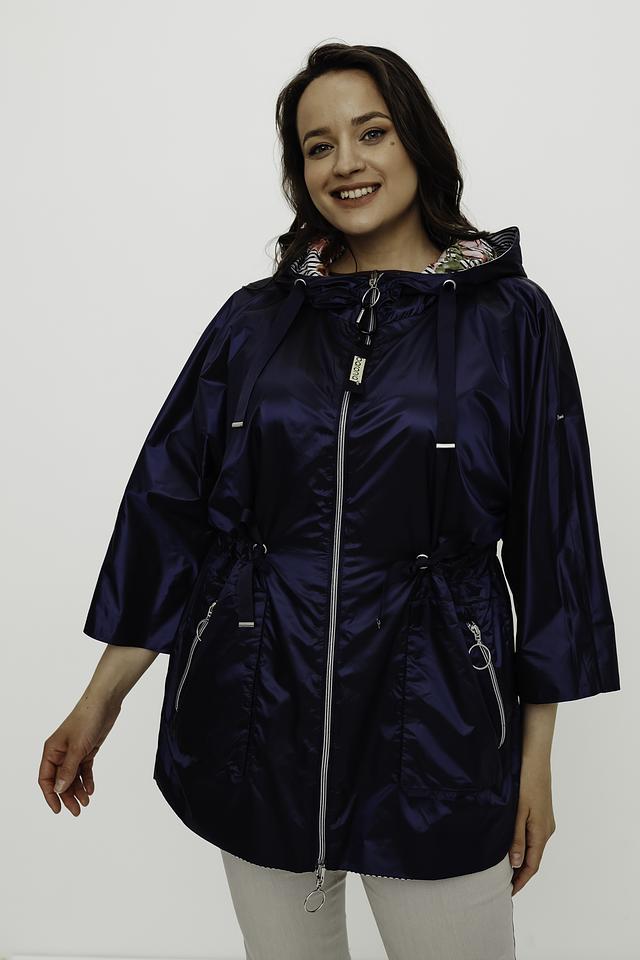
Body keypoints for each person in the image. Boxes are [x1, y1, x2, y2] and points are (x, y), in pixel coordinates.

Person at [39, 42, 621, 960]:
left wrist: (534, 762)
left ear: (417, 140)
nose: (346, 162)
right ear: (300, 171)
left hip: (437, 735)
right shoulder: (254, 322)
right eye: (318, 146)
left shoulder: (512, 322)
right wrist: (98, 701)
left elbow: (554, 543)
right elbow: (171, 514)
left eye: (371, 132)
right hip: (256, 725)